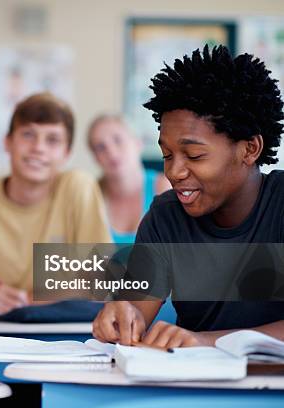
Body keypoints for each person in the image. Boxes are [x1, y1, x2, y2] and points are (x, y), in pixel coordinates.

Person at [92, 45, 284, 347]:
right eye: (167, 155)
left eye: (194, 155)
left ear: (249, 149)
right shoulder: (166, 217)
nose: (175, 172)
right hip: (195, 387)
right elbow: (133, 310)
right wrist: (120, 316)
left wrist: (204, 341)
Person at [0, 92, 111, 314]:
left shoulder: (78, 188)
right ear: (8, 142)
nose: (38, 147)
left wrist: (26, 300)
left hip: (61, 334)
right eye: (28, 134)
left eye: (52, 140)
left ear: (67, 153)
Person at [87, 115, 170, 243]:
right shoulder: (90, 197)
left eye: (118, 140)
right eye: (100, 147)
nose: (111, 151)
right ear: (95, 158)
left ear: (138, 143)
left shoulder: (165, 188)